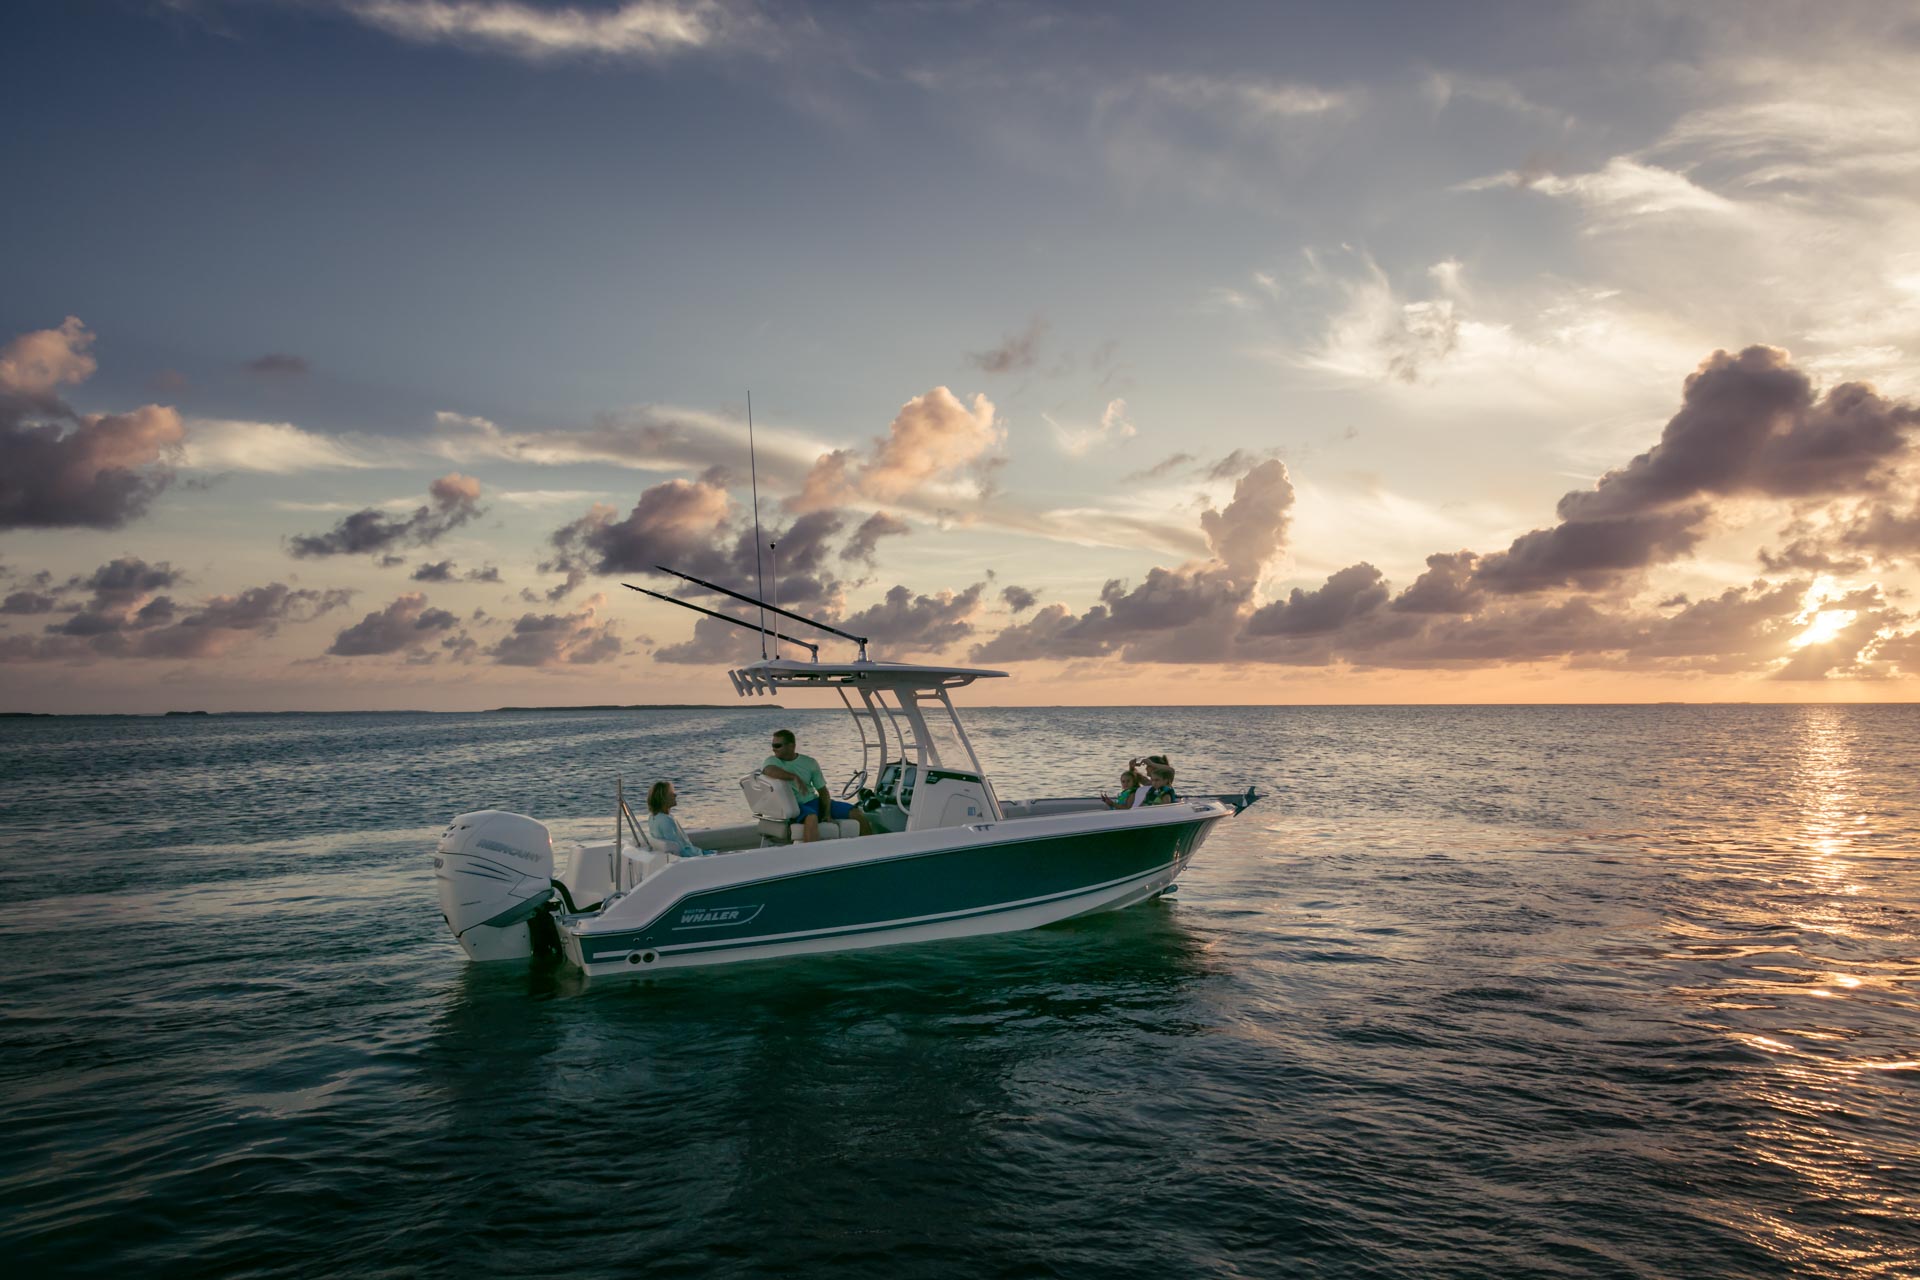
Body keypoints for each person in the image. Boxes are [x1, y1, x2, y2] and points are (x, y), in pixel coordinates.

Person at [762, 727, 872, 842]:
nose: (774, 749)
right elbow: (769, 770)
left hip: (813, 802)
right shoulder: (772, 761)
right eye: (773, 745)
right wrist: (794, 777)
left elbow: (823, 791)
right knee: (811, 817)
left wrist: (827, 813)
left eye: (777, 746)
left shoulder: (810, 763)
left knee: (856, 812)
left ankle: (869, 847)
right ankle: (811, 855)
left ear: (791, 746)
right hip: (795, 806)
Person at [645, 780, 714, 857]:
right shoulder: (666, 821)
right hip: (692, 857)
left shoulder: (653, 818)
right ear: (663, 799)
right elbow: (680, 850)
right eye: (671, 793)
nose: (675, 795)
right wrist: (701, 855)